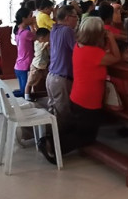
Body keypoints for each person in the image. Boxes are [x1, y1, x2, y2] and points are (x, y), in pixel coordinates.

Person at [39, 17, 121, 163]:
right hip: (89, 101)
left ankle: (49, 140)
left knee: (77, 127)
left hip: (77, 96)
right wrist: (112, 38)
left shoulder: (79, 46)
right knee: (87, 137)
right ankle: (51, 146)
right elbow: (116, 57)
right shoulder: (95, 53)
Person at [46, 6, 79, 124]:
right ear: (67, 17)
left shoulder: (54, 29)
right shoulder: (67, 30)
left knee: (53, 112)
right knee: (63, 116)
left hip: (51, 77)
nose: (76, 20)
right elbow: (78, 50)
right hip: (61, 79)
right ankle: (59, 141)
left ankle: (50, 137)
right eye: (75, 17)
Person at [12, 10, 37, 97]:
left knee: (23, 90)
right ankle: (4, 96)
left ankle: (5, 95)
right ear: (24, 19)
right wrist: (33, 24)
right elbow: (39, 37)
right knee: (24, 92)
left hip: (19, 66)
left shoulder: (18, 31)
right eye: (30, 16)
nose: (32, 18)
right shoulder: (26, 33)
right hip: (24, 67)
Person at [25, 28, 51, 98]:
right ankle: (27, 96)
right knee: (30, 82)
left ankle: (45, 93)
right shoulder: (38, 44)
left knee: (46, 79)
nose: (49, 38)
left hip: (43, 67)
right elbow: (50, 43)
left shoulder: (42, 43)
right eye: (48, 37)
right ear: (42, 38)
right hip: (36, 67)